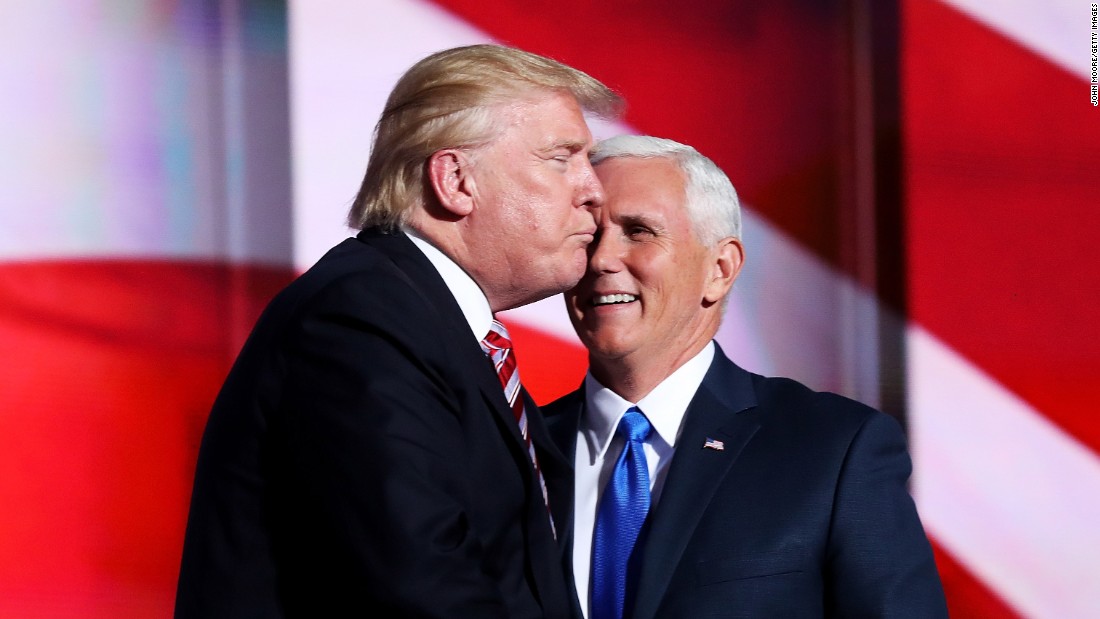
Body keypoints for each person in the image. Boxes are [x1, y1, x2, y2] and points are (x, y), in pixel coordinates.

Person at [175, 44, 622, 618]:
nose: (593, 191)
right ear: (456, 180)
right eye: (562, 158)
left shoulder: (428, 324)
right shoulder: (360, 320)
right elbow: (419, 588)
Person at [543, 135, 948, 619]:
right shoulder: (511, 447)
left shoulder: (834, 449)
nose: (602, 259)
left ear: (720, 268)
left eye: (638, 231)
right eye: (587, 235)